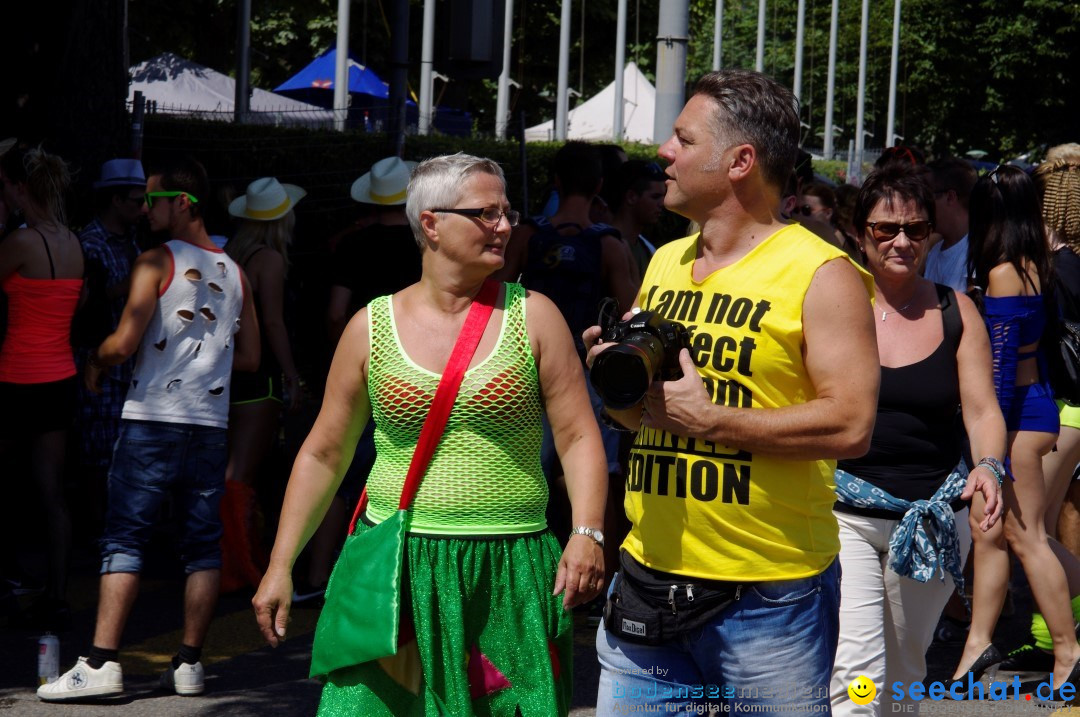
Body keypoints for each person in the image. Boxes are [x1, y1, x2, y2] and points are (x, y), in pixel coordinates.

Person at [252, 153, 608, 716]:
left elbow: (579, 437)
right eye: (486, 213)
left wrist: (587, 531)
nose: (505, 226)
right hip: (396, 572)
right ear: (432, 223)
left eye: (507, 212)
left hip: (509, 569)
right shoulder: (370, 327)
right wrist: (280, 565)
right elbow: (324, 453)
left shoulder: (535, 316)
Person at [584, 69, 880, 714]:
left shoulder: (821, 274)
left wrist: (711, 420)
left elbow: (851, 425)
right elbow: (638, 417)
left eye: (683, 139)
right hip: (646, 578)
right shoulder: (666, 260)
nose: (663, 151)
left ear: (740, 161)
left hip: (767, 597)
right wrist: (613, 373)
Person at [38, 157, 260, 702]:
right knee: (202, 547)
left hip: (152, 423)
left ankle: (101, 663)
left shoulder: (154, 260)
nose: (143, 209)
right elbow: (251, 357)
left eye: (153, 201)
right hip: (209, 426)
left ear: (182, 204)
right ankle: (188, 664)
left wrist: (94, 360)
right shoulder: (237, 272)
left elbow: (123, 341)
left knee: (124, 539)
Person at [827, 164, 1005, 716]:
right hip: (842, 510)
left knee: (906, 665)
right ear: (860, 234)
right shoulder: (830, 302)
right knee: (856, 664)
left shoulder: (957, 311)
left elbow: (981, 410)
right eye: (885, 229)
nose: (902, 241)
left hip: (932, 517)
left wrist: (989, 467)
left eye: (916, 228)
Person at [949, 164, 1080, 695]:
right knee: (990, 532)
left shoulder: (1005, 271)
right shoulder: (1036, 265)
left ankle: (1069, 652)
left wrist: (990, 451)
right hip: (1031, 410)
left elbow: (1001, 371)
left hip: (1016, 420)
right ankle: (977, 646)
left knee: (1026, 539)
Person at [1003, 145, 1080, 672]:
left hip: (1061, 406)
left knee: (1027, 529)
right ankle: (1051, 633)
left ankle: (1064, 641)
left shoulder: (1057, 269)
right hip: (1069, 409)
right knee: (1041, 528)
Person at [0, 146, 84, 629]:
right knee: (51, 490)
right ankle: (56, 593)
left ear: (19, 187)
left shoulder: (21, 241)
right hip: (59, 379)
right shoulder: (72, 242)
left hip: (16, 379)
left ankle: (8, 581)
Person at [218, 177, 306, 593]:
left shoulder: (233, 252)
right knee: (240, 476)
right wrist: (291, 373)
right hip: (260, 377)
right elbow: (272, 321)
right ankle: (236, 567)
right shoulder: (268, 259)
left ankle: (227, 561)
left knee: (230, 471)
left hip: (230, 371)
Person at [73, 158, 146, 531]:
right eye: (136, 200)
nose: (143, 208)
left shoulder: (131, 240)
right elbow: (86, 308)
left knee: (117, 451)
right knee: (96, 453)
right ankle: (97, 526)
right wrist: (137, 283)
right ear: (116, 200)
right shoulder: (92, 244)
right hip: (98, 362)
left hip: (124, 364)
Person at [326, 156, 421, 346]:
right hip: (417, 346)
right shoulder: (428, 242)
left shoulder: (352, 243)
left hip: (369, 345)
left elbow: (336, 314)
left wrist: (345, 353)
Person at [923, 157, 978, 293]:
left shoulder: (977, 253)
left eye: (926, 195)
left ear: (950, 197)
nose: (921, 203)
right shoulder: (934, 252)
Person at [609, 159, 667, 283]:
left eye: (663, 196)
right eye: (655, 197)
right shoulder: (606, 245)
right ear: (631, 197)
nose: (662, 203)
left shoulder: (646, 248)